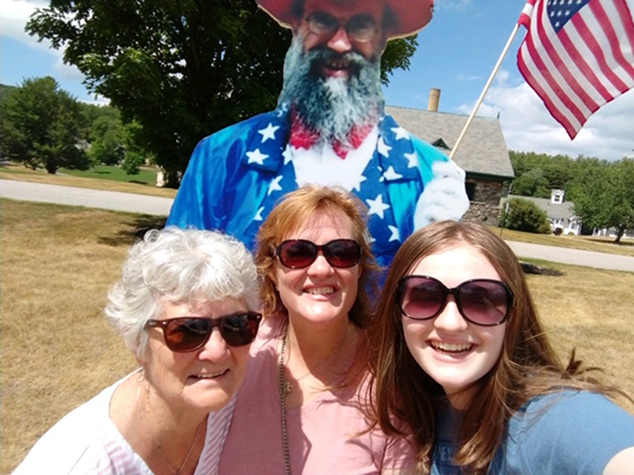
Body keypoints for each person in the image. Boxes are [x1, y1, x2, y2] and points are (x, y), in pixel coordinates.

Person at [167, 0, 469, 268]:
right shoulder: (222, 156)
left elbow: (438, 313)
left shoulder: (428, 176)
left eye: (362, 25)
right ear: (296, 27)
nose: (339, 43)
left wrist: (439, 250)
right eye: (322, 21)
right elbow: (173, 287)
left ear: (381, 40)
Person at [372, 221, 634, 474]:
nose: (450, 323)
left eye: (480, 299)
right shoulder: (417, 409)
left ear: (513, 315)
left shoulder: (556, 417)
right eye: (424, 296)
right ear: (397, 313)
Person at [13, 228, 262, 475]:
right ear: (138, 343)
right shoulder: (83, 462)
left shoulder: (229, 406)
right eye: (188, 331)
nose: (218, 351)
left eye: (237, 325)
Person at [218, 185, 417, 474]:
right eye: (298, 252)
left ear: (360, 268)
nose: (321, 269)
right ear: (272, 270)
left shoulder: (391, 379)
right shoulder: (234, 348)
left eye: (342, 252)